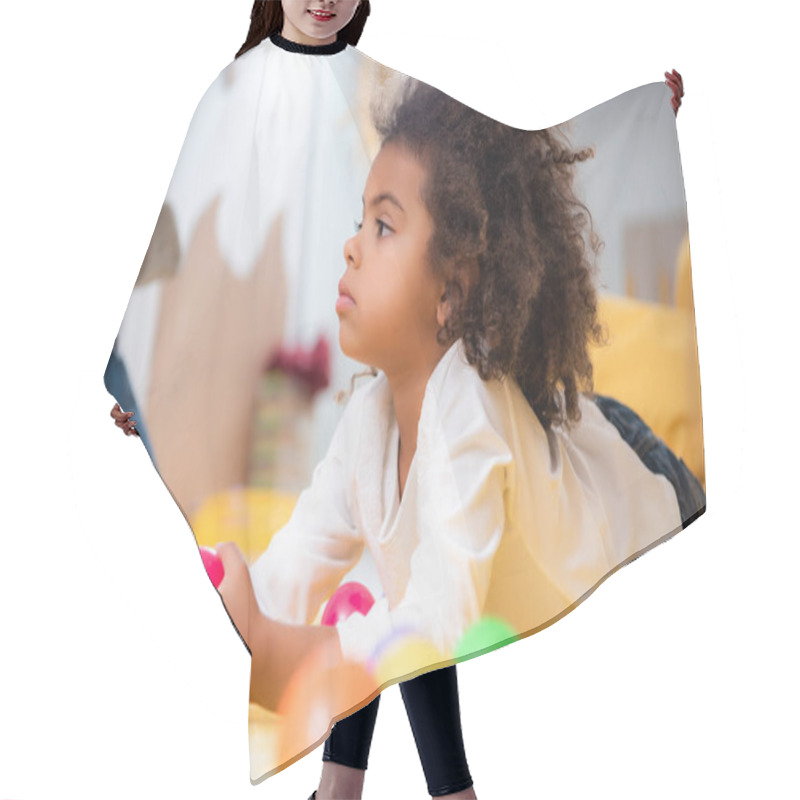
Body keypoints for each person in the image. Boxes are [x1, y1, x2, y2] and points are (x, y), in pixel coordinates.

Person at [109, 4, 691, 800]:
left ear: (451, 295)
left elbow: (441, 620)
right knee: (376, 594)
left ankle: (435, 795)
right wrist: (155, 400)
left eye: (382, 228)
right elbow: (297, 568)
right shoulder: (368, 421)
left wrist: (650, 113)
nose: (350, 244)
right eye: (360, 220)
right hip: (555, 447)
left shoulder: (466, 413)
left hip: (632, 464)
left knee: (393, 608)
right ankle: (348, 789)